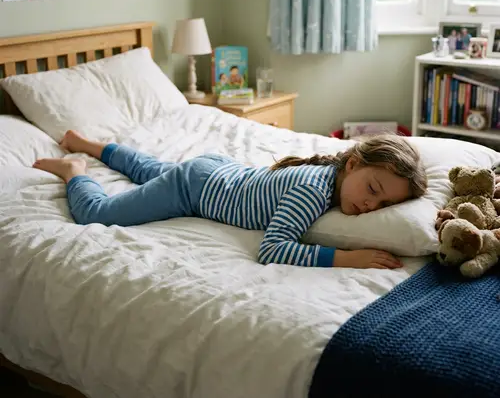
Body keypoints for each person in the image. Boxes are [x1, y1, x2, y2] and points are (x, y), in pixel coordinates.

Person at [33, 131, 428, 270]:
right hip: (197, 189)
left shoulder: (330, 176)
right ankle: (76, 168)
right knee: (95, 214)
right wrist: (347, 258)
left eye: (382, 206)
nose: (369, 207)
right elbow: (273, 250)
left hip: (216, 170)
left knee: (152, 170)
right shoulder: (313, 188)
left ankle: (87, 141)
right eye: (373, 190)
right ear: (353, 163)